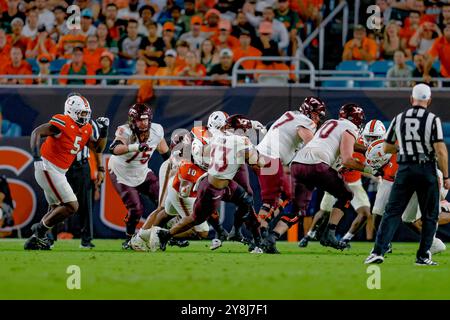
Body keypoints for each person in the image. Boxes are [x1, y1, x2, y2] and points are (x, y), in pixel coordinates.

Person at [262, 103, 371, 253]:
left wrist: (365, 150)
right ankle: (329, 234)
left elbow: (343, 143)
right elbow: (347, 159)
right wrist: (372, 169)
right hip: (317, 164)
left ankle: (272, 238)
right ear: (357, 120)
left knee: (297, 209)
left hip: (298, 163)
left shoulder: (329, 123)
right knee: (346, 195)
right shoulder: (350, 128)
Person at [365, 84, 450, 266]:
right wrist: (447, 176)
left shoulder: (399, 118)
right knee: (429, 215)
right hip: (426, 168)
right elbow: (441, 151)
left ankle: (378, 251)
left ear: (411, 99)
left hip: (404, 169)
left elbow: (387, 147)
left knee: (392, 212)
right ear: (429, 100)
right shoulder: (432, 119)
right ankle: (423, 256)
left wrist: (403, 147)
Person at [154, 114, 265, 253]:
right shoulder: (240, 140)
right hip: (212, 187)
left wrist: (252, 124)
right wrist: (257, 150)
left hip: (219, 181)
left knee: (246, 200)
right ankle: (166, 235)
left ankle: (245, 236)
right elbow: (260, 162)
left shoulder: (216, 137)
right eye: (244, 129)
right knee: (196, 219)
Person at [24, 95, 101, 250]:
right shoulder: (63, 122)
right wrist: (36, 157)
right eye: (81, 113)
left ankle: (35, 240)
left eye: (86, 113)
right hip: (48, 167)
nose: (85, 116)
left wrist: (104, 133)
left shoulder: (86, 128)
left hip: (60, 170)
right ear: (71, 111)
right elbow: (36, 133)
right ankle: (39, 229)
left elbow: (98, 148)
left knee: (55, 207)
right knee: (72, 205)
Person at [255, 97, 326, 237]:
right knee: (276, 200)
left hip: (261, 156)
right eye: (316, 115)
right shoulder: (306, 122)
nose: (317, 119)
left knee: (286, 196)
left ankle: (263, 230)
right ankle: (259, 236)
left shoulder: (290, 114)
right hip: (271, 160)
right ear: (309, 112)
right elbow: (310, 144)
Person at [108, 103, 170, 249]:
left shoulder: (157, 130)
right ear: (132, 121)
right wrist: (135, 146)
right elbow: (114, 148)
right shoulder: (125, 131)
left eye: (146, 120)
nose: (143, 123)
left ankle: (165, 234)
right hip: (121, 173)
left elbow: (164, 151)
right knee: (136, 210)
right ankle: (129, 239)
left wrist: (174, 165)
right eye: (139, 120)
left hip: (142, 171)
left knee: (164, 202)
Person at [63, 92, 109, 249]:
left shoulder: (91, 124)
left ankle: (86, 239)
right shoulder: (60, 122)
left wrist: (100, 168)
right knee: (55, 200)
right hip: (62, 165)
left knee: (85, 204)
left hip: (81, 165)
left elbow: (97, 149)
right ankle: (47, 236)